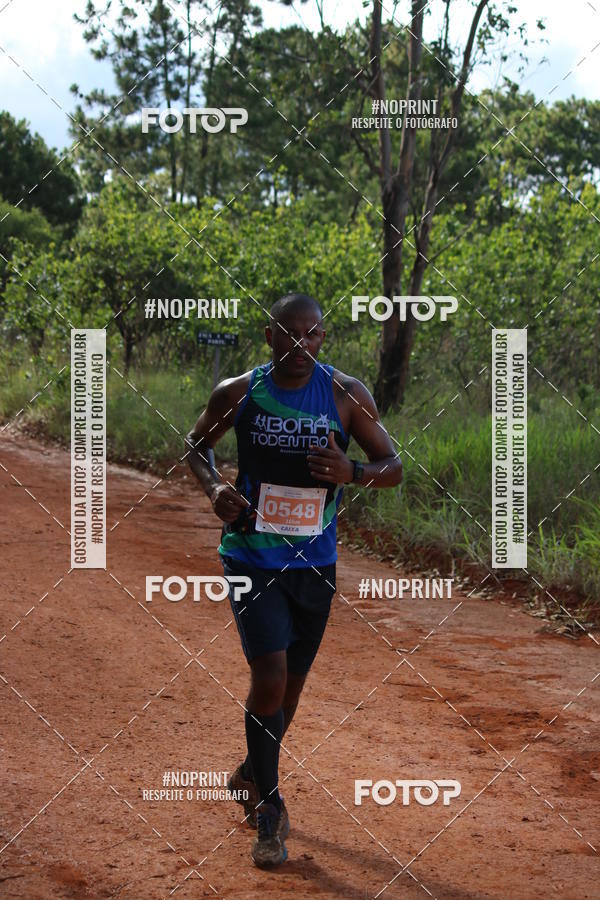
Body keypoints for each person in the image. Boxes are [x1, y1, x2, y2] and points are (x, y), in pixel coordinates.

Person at [186, 292, 402, 868]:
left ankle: (251, 772)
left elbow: (394, 466)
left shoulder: (346, 395)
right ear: (270, 337)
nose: (300, 345)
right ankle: (270, 809)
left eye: (312, 334)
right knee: (271, 675)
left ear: (322, 339)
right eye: (289, 333)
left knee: (291, 692)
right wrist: (214, 490)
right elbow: (195, 446)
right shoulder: (238, 393)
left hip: (315, 564)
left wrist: (353, 471)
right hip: (250, 558)